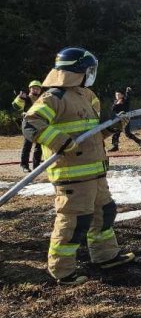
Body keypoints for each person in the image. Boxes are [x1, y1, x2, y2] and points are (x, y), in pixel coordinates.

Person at [22, 47, 135, 285]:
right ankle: (62, 271)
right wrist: (60, 141)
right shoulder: (54, 98)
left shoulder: (85, 95)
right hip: (71, 175)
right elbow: (31, 124)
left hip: (95, 172)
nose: (91, 75)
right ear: (76, 71)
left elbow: (91, 135)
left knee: (104, 213)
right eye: (88, 70)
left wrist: (113, 127)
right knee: (74, 222)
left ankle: (106, 256)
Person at [12, 80, 44, 172]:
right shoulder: (25, 98)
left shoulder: (42, 99)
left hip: (40, 124)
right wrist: (20, 98)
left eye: (37, 88)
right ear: (30, 89)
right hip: (28, 125)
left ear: (40, 90)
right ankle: (24, 165)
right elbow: (16, 106)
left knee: (39, 147)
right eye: (34, 88)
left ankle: (36, 166)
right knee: (27, 146)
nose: (35, 90)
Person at [109, 87, 141, 152]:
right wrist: (116, 104)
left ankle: (140, 141)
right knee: (116, 133)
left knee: (127, 134)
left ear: (122, 95)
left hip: (126, 120)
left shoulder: (125, 100)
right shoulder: (116, 102)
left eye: (118, 95)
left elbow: (128, 97)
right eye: (116, 95)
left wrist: (127, 91)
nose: (117, 96)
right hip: (118, 120)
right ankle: (115, 146)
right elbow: (113, 109)